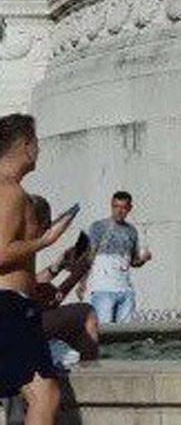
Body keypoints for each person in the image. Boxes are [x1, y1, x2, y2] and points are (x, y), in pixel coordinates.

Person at [0, 114, 75, 424]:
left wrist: (34, 286)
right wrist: (46, 240)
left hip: (14, 301)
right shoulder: (10, 190)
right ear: (27, 146)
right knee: (45, 394)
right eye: (37, 143)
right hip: (8, 306)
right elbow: (2, 252)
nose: (39, 151)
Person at [30, 195, 99, 361]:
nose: (45, 230)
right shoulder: (17, 247)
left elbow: (27, 282)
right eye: (46, 225)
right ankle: (90, 372)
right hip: (15, 323)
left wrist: (56, 267)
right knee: (87, 312)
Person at [80, 191, 151, 324]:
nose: (119, 211)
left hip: (126, 291)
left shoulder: (131, 231)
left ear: (129, 208)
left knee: (124, 336)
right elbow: (90, 256)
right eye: (115, 206)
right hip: (103, 289)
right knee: (104, 332)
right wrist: (82, 282)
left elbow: (133, 262)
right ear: (111, 206)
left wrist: (143, 259)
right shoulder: (98, 227)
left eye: (123, 207)